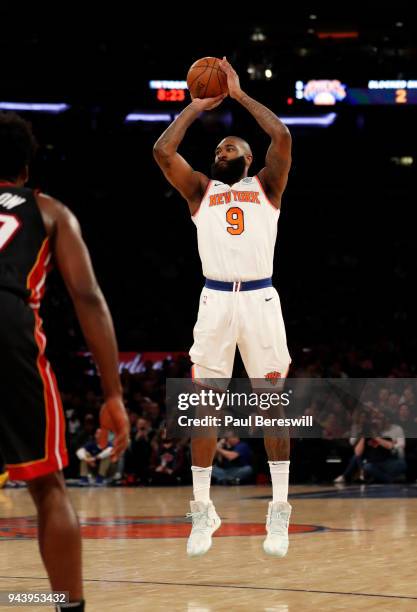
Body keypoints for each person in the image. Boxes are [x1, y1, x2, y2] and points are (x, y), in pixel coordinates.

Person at [154, 57, 292, 558]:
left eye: (230, 144)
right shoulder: (199, 192)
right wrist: (195, 108)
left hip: (260, 298)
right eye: (218, 146)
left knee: (273, 408)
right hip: (214, 300)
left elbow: (282, 137)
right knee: (202, 409)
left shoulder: (267, 187)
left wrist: (237, 95)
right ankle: (202, 510)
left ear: (249, 159)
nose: (222, 148)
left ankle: (278, 513)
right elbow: (162, 149)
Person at [0, 112, 129, 611]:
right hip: (9, 329)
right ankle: (68, 608)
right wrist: (113, 394)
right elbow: (89, 299)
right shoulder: (48, 210)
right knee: (48, 486)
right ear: (27, 170)